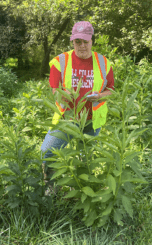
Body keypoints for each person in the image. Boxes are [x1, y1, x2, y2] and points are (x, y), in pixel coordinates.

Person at [41, 21, 114, 180]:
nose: (82, 46)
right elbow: (54, 90)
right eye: (77, 42)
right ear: (72, 41)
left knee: (85, 159)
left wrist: (100, 96)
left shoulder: (103, 63)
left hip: (91, 121)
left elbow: (111, 90)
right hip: (66, 119)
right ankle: (50, 187)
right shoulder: (60, 61)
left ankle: (82, 188)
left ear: (91, 41)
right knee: (47, 152)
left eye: (85, 41)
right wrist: (64, 94)